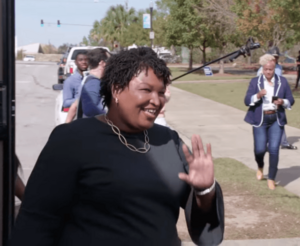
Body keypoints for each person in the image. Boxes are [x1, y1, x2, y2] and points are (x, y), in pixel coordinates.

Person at [9, 47, 224, 246]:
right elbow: (37, 221)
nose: (156, 101)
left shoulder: (169, 140)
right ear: (117, 90)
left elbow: (203, 224)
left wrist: (205, 190)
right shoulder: (72, 140)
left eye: (160, 92)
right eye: (146, 90)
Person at [244, 54, 295, 190]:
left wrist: (282, 102)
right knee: (259, 150)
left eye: (271, 69)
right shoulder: (255, 82)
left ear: (274, 69)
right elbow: (246, 100)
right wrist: (258, 95)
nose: (268, 72)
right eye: (266, 69)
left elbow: (291, 99)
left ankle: (271, 178)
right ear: (262, 68)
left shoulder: (282, 81)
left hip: (276, 119)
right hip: (260, 119)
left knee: (274, 149)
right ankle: (260, 166)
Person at [257, 51, 297, 150]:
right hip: (266, 94)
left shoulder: (279, 67)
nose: (275, 58)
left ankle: (284, 142)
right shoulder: (262, 69)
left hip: (277, 93)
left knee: (279, 118)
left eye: (276, 57)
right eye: (273, 57)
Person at [65, 48, 110, 123]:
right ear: (102, 63)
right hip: (94, 130)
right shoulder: (94, 83)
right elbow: (90, 110)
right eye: (109, 62)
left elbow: (75, 106)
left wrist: (66, 127)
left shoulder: (87, 79)